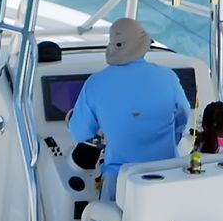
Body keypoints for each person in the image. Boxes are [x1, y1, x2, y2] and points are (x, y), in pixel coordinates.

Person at [67, 18, 191, 202]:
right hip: (166, 178)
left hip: (120, 182)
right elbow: (184, 117)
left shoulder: (95, 83)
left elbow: (80, 133)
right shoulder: (168, 77)